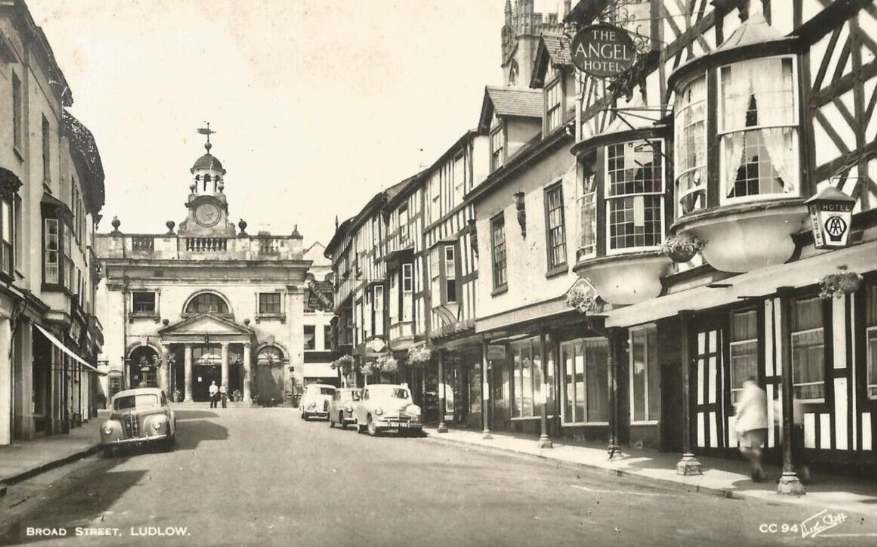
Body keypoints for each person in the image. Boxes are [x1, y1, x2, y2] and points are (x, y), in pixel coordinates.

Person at [735, 377, 768, 482]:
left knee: (744, 448)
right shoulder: (762, 392)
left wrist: (736, 419)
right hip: (761, 424)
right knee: (756, 447)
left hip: (749, 425)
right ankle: (758, 470)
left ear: (747, 383)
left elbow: (741, 408)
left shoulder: (747, 392)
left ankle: (758, 468)